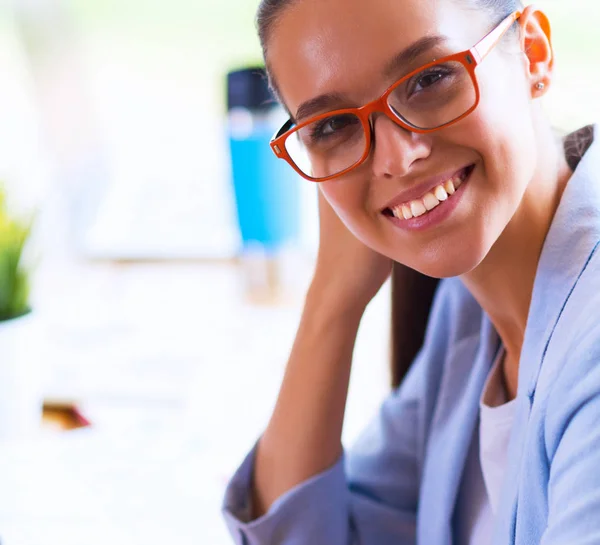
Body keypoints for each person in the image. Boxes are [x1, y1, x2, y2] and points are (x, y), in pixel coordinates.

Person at [222, 0, 599, 543]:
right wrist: (334, 298)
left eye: (430, 79)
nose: (396, 157)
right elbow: (314, 533)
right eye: (331, 126)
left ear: (533, 54)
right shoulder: (471, 310)